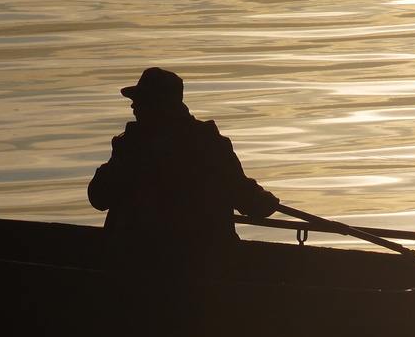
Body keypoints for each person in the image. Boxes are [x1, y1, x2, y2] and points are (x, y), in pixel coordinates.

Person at [88, 68, 279, 256]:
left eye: (141, 101)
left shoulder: (207, 146)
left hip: (194, 256)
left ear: (161, 105)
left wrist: (262, 201)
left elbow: (241, 193)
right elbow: (99, 198)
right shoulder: (129, 145)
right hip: (133, 253)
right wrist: (111, 178)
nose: (133, 107)